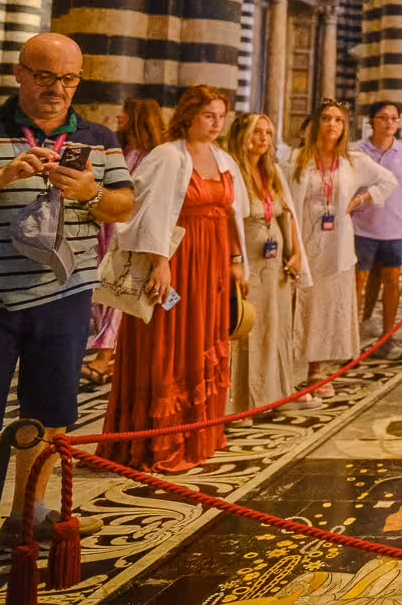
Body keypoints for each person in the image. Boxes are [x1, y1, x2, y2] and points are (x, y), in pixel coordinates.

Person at [0, 34, 133, 591]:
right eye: (44, 76)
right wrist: (1, 176)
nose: (56, 89)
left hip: (64, 297)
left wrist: (89, 192)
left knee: (48, 411)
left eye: (68, 79)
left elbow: (124, 205)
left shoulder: (98, 139)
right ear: (20, 74)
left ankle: (26, 512)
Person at [99, 85, 249, 471]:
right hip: (178, 260)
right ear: (188, 116)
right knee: (168, 340)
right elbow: (147, 213)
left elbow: (233, 213)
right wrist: (160, 261)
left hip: (212, 262)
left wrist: (236, 260)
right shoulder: (167, 156)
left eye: (221, 116)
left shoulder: (223, 158)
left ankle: (200, 433)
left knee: (204, 337)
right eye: (208, 116)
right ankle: (159, 441)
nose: (216, 123)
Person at [286, 100, 398, 395]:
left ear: (344, 127)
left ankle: (316, 372)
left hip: (337, 247)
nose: (332, 124)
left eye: (338, 120)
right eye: (326, 118)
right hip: (304, 244)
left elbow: (388, 181)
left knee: (326, 310)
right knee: (301, 306)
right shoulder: (297, 159)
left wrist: (359, 200)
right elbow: (286, 200)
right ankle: (289, 370)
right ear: (316, 123)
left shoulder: (353, 161)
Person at [222, 112, 308, 412]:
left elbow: (288, 213)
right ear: (241, 135)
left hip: (276, 266)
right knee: (248, 326)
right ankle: (242, 401)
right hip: (249, 262)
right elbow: (227, 221)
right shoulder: (232, 172)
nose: (263, 139)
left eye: (268, 133)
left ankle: (275, 394)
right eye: (257, 132)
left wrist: (295, 252)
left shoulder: (272, 171)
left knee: (275, 325)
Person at [84, 97, 165, 388]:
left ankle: (105, 357)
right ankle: (111, 353)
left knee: (120, 292)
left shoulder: (153, 156)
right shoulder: (121, 151)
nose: (119, 117)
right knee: (101, 288)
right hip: (105, 231)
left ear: (139, 117)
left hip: (131, 234)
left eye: (125, 113)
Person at [353, 101, 402, 357]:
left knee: (391, 282)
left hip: (395, 229)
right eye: (383, 118)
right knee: (357, 282)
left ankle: (387, 336)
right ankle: (352, 336)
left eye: (394, 118)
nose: (390, 122)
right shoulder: (356, 151)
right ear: (372, 121)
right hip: (361, 227)